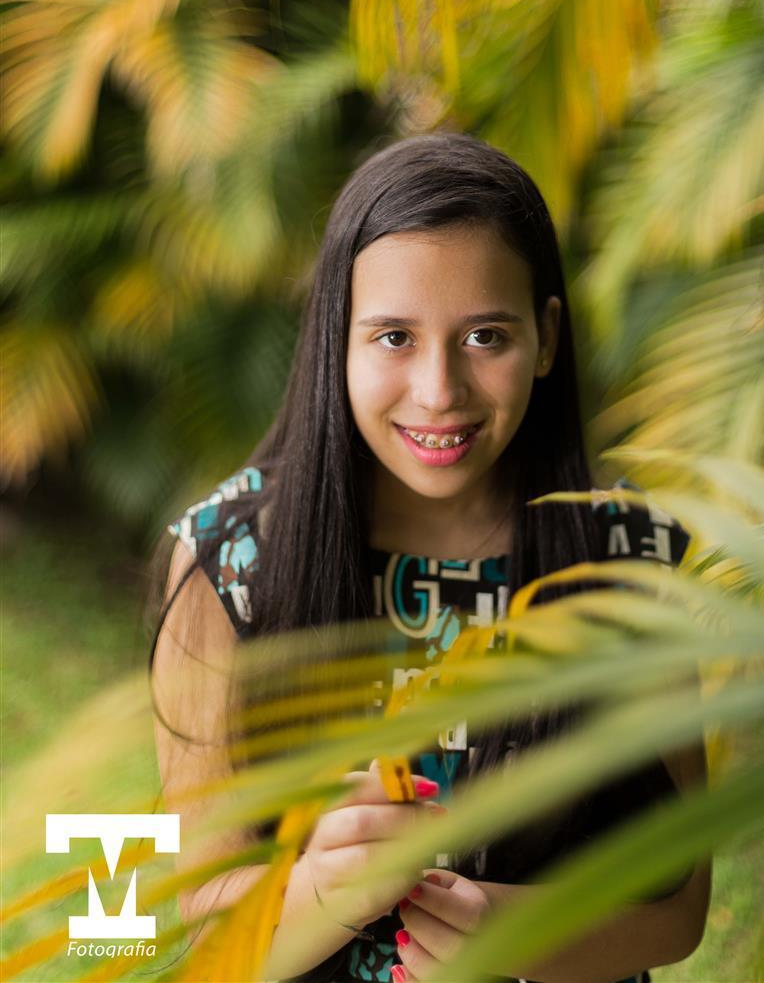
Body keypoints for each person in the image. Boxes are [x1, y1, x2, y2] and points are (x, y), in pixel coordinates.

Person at [150, 132, 711, 983]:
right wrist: (328, 892)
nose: (440, 390)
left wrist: (509, 931)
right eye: (393, 337)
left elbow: (679, 908)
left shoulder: (626, 560)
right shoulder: (231, 561)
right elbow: (211, 937)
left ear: (546, 337)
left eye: (485, 335)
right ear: (337, 340)